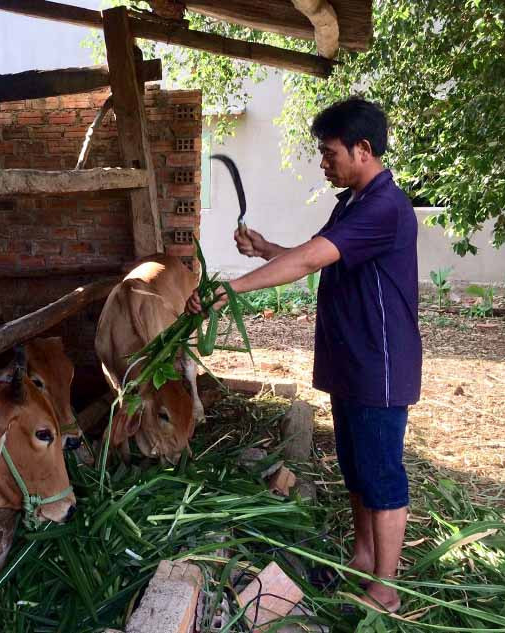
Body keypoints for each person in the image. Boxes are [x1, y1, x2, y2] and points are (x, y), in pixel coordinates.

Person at [187, 97, 421, 613]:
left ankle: (387, 587)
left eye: (329, 152)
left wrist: (234, 288)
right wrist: (268, 248)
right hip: (352, 360)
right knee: (356, 466)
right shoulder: (353, 203)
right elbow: (325, 255)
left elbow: (315, 257)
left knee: (381, 472)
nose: (323, 162)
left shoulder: (385, 205)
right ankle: (363, 557)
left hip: (379, 364)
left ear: (363, 149)